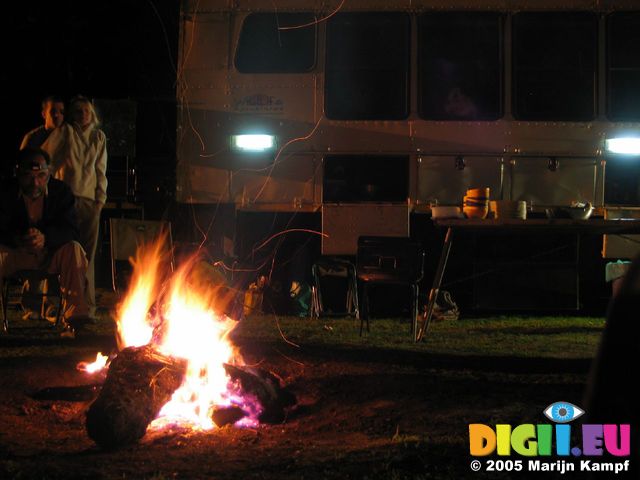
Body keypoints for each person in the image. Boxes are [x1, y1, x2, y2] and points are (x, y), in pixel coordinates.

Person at [0, 147, 91, 333]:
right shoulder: (5, 192)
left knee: (74, 249)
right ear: (17, 173)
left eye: (41, 175)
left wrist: (46, 238)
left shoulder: (61, 192)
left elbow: (72, 230)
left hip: (49, 254)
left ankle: (76, 318)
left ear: (49, 173)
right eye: (28, 176)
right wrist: (18, 238)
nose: (35, 182)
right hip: (16, 253)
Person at [44, 95, 108, 319]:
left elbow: (101, 171)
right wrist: (48, 190)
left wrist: (100, 200)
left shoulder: (99, 137)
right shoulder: (66, 132)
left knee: (87, 255)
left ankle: (87, 306)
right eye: (78, 111)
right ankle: (54, 304)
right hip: (65, 201)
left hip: (90, 202)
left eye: (86, 111)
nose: (83, 115)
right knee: (61, 250)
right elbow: (46, 157)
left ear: (92, 113)